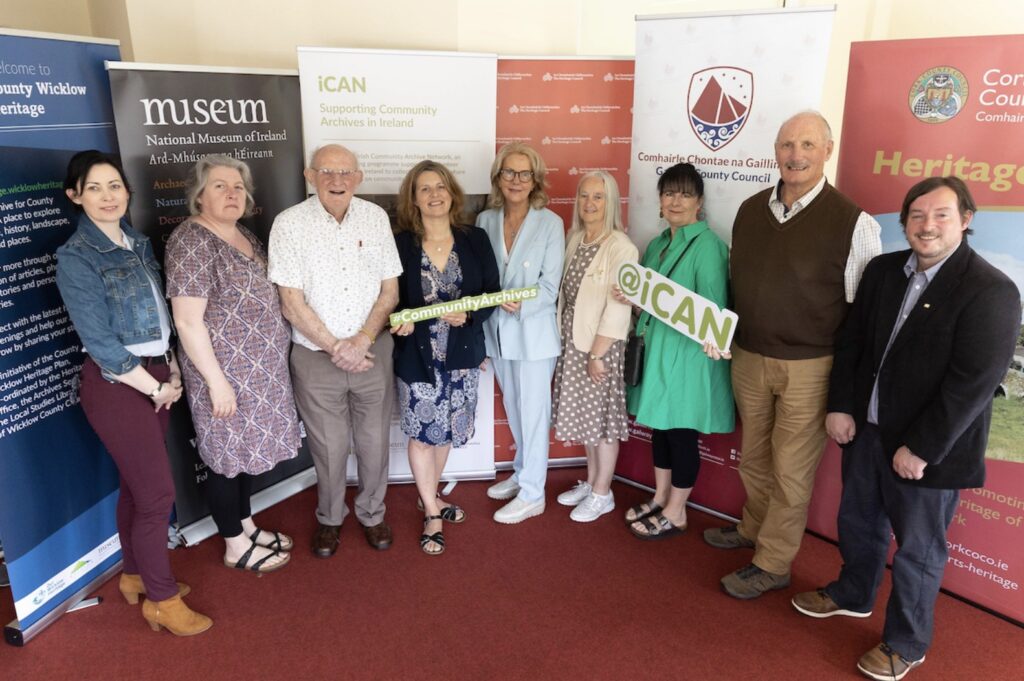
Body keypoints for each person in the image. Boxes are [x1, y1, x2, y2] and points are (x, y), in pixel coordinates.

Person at [791, 177, 1020, 681]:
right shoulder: (881, 272)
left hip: (927, 453)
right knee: (858, 522)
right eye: (916, 216)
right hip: (866, 433)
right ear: (904, 223)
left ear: (966, 219)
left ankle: (906, 642)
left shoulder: (991, 291)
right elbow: (852, 344)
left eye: (941, 215)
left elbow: (972, 385)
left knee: (917, 550)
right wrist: (842, 406)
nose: (927, 225)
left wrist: (921, 447)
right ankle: (854, 593)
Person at [703, 111, 882, 599]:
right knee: (753, 458)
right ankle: (753, 528)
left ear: (828, 149)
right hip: (748, 356)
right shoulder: (749, 209)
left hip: (811, 367)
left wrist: (847, 388)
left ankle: (773, 561)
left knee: (790, 468)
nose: (795, 155)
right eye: (786, 145)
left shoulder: (853, 222)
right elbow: (739, 287)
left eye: (806, 144)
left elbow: (861, 317)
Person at [55, 150, 211, 636]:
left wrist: (173, 372)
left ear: (127, 192)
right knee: (157, 494)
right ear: (75, 196)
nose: (108, 196)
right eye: (95, 188)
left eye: (115, 186)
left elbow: (160, 317)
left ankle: (136, 577)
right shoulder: (75, 256)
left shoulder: (137, 242)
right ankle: (161, 601)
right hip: (117, 384)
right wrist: (156, 385)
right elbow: (100, 342)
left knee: (136, 489)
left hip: (156, 373)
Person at [166, 155, 300, 573]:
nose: (231, 194)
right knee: (225, 460)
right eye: (220, 186)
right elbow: (187, 321)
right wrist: (217, 383)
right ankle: (233, 545)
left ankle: (246, 525)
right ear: (199, 195)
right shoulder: (192, 240)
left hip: (259, 375)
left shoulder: (241, 233)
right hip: (224, 376)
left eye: (238, 187)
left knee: (242, 456)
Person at [268, 144, 401, 556]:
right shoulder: (288, 224)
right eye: (326, 171)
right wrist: (335, 348)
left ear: (359, 177)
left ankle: (373, 514)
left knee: (375, 441)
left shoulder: (376, 219)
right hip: (315, 357)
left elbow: (389, 291)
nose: (337, 180)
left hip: (372, 352)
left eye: (345, 172)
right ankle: (329, 518)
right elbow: (291, 301)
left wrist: (360, 341)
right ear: (310, 177)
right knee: (328, 446)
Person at [615, 163, 734, 538]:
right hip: (656, 352)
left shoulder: (710, 246)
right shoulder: (656, 244)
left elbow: (712, 310)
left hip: (688, 359)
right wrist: (630, 298)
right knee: (661, 431)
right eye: (668, 193)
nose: (675, 201)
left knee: (680, 433)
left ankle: (678, 510)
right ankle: (661, 496)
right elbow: (648, 302)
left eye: (685, 194)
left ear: (699, 202)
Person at [390, 160, 500, 554]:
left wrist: (469, 313)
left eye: (440, 186)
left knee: (448, 430)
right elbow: (388, 298)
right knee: (423, 434)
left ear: (452, 193)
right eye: (424, 189)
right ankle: (432, 512)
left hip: (462, 353)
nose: (434, 194)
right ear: (413, 199)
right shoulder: (400, 243)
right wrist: (396, 320)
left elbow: (492, 294)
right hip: (418, 355)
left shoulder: (475, 239)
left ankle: (429, 495)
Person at [477, 143, 565, 524]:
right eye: (509, 173)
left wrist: (520, 304)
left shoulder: (551, 223)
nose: (516, 180)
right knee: (514, 408)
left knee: (533, 413)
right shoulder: (485, 219)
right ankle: (521, 471)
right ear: (498, 177)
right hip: (497, 331)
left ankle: (533, 494)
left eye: (524, 174)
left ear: (535, 180)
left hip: (534, 332)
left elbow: (550, 286)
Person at [552, 171, 637, 522]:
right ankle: (591, 482)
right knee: (585, 421)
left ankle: (603, 493)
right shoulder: (575, 238)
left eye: (598, 197)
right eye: (584, 196)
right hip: (574, 343)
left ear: (611, 202)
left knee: (601, 424)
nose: (590, 203)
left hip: (599, 348)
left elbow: (620, 306)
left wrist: (598, 354)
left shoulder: (621, 246)